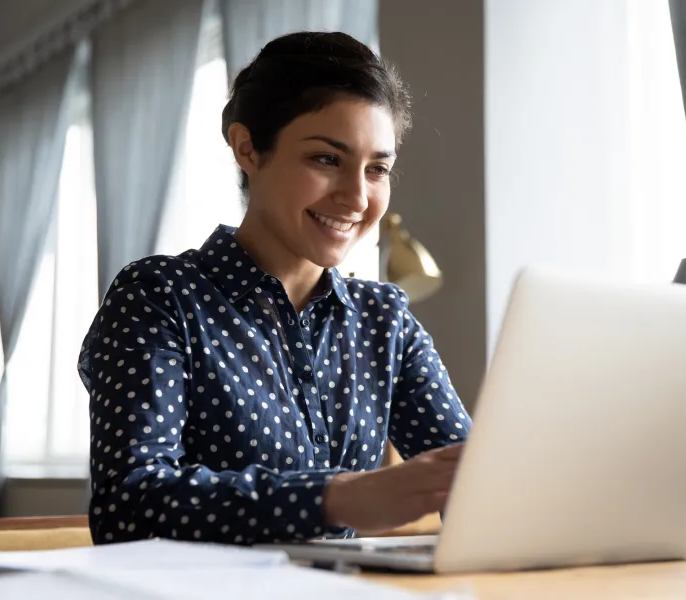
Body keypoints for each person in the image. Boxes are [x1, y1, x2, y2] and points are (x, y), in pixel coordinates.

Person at [78, 30, 472, 546]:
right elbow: (126, 504)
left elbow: (471, 482)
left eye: (377, 169)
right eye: (326, 159)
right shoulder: (159, 297)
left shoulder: (384, 319)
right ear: (248, 149)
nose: (357, 197)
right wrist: (338, 497)